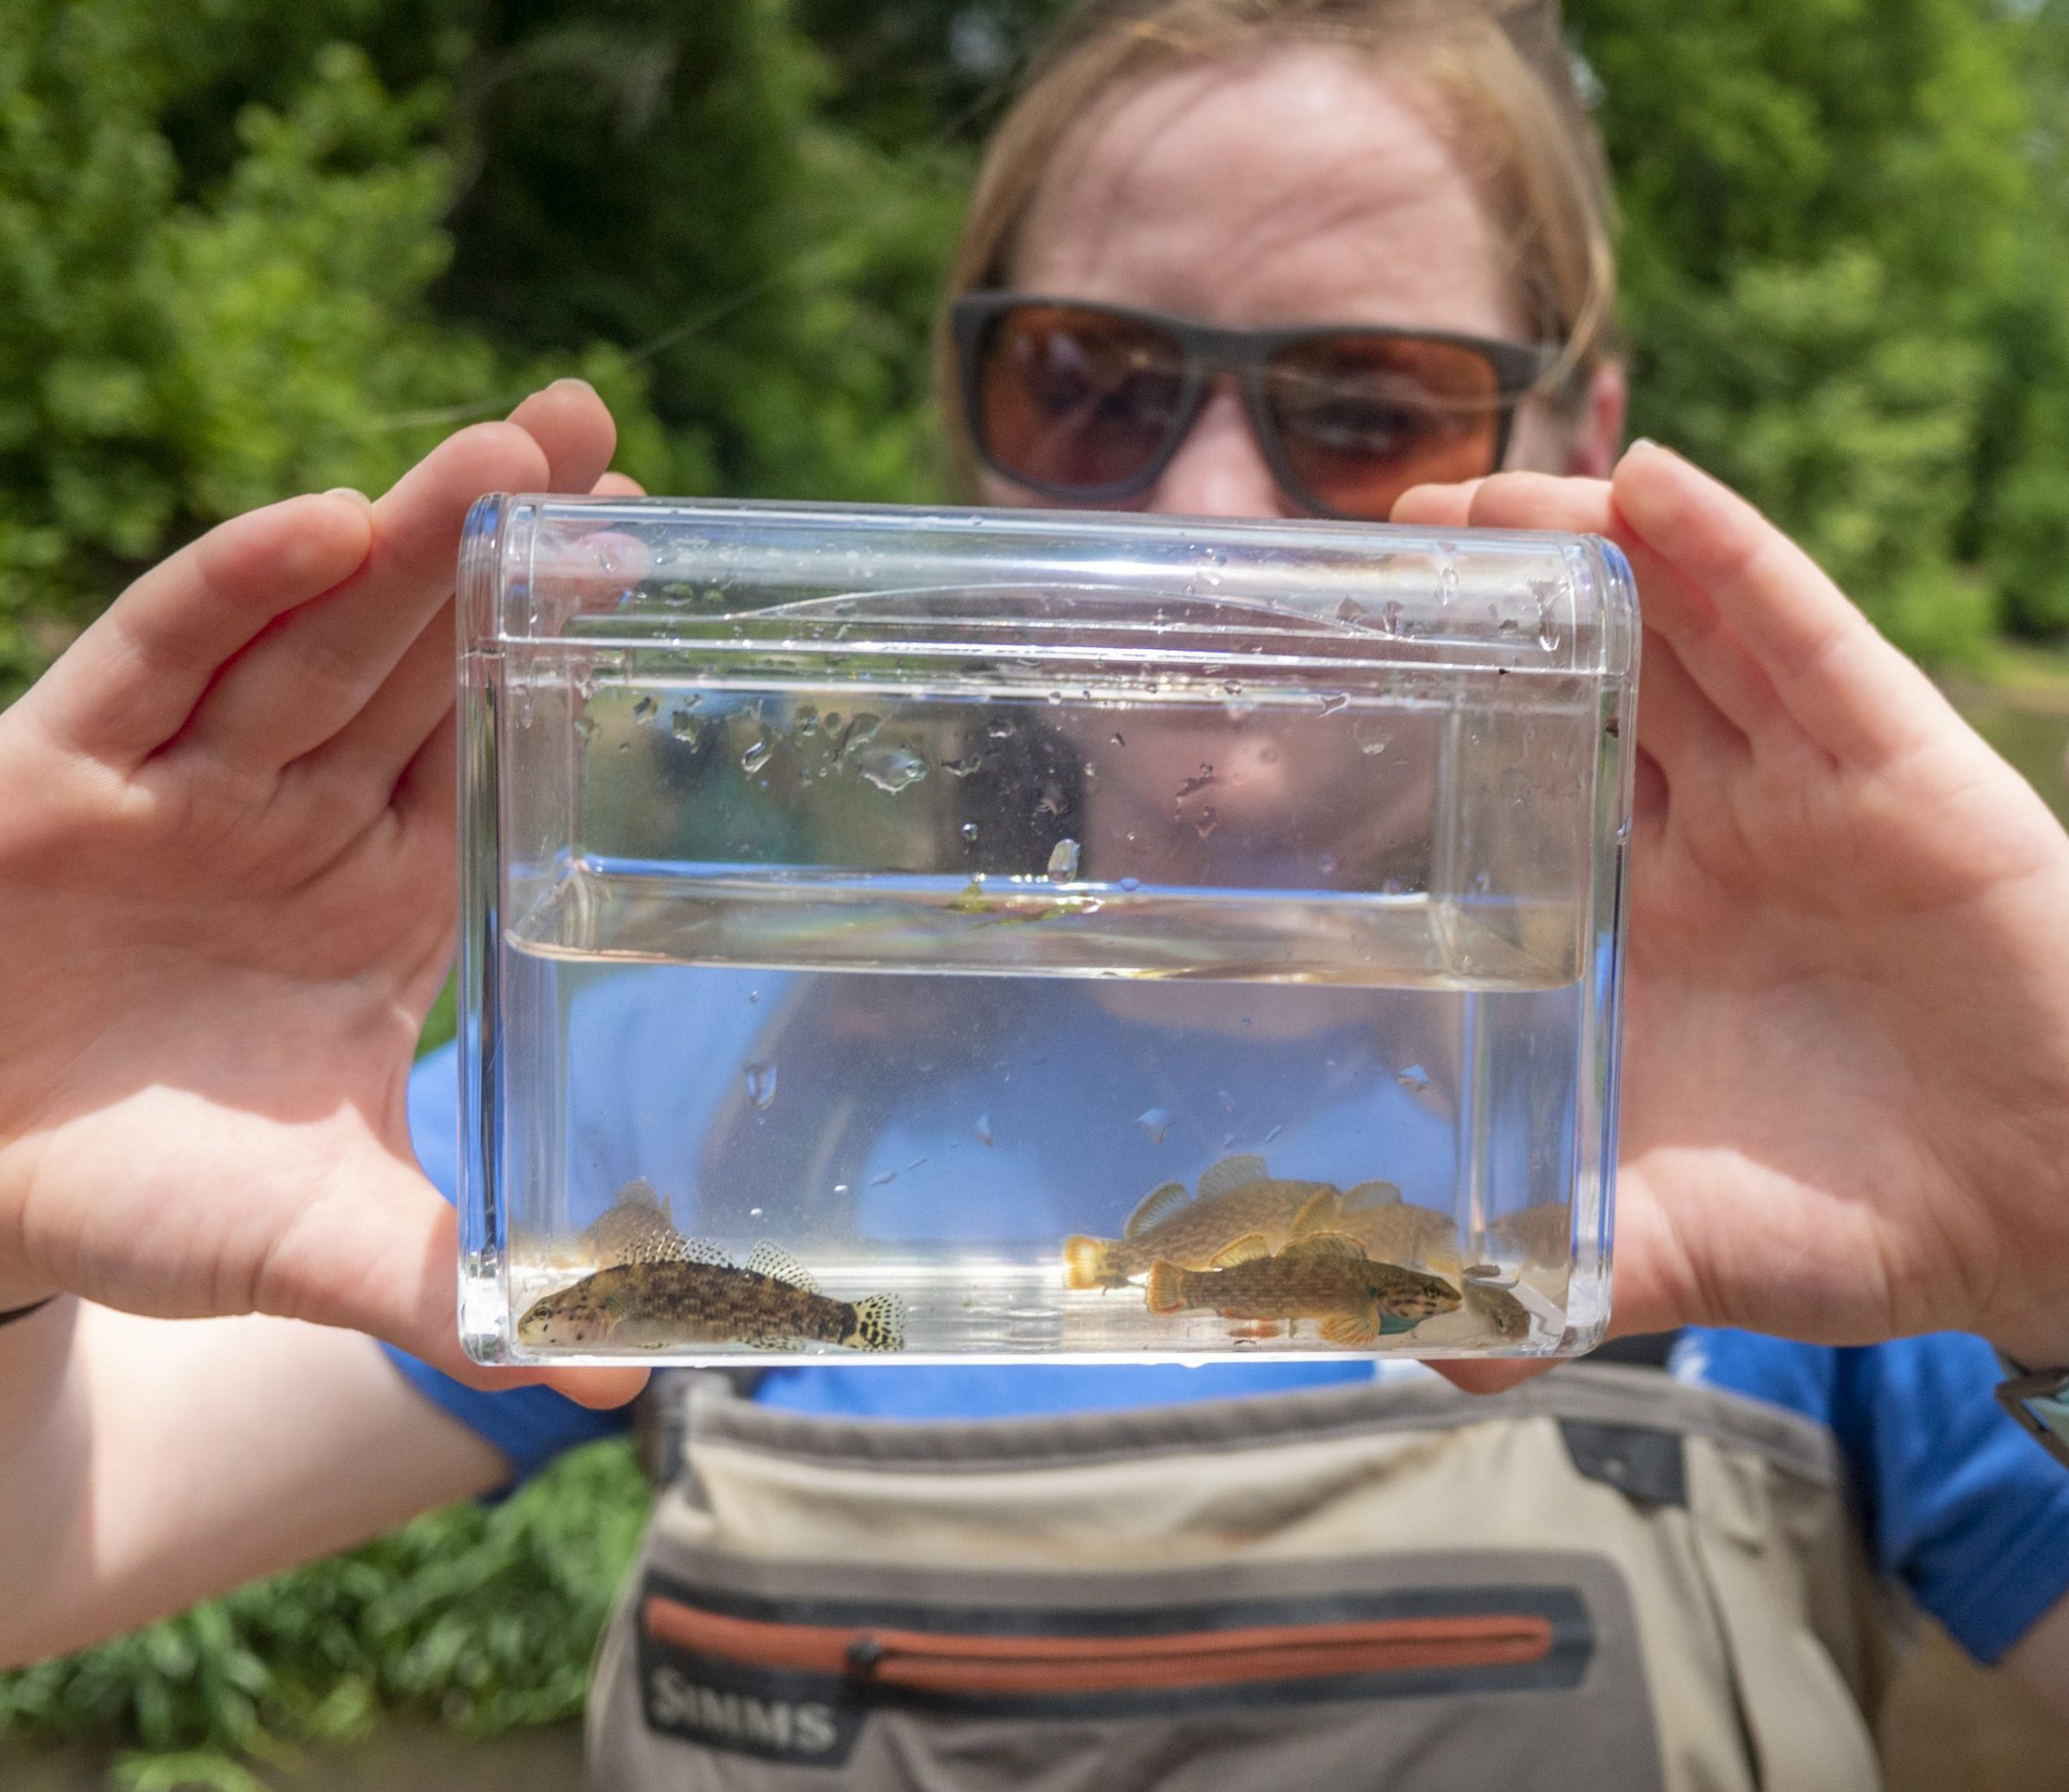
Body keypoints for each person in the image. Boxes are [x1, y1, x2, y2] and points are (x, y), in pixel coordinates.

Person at [1, 0, 2066, 1777]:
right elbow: (49, 1533)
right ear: (970, 426)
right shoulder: (685, 1074)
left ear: (1575, 443)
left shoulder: (1793, 1132)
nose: (1206, 512)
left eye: (1368, 407)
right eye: (1088, 380)